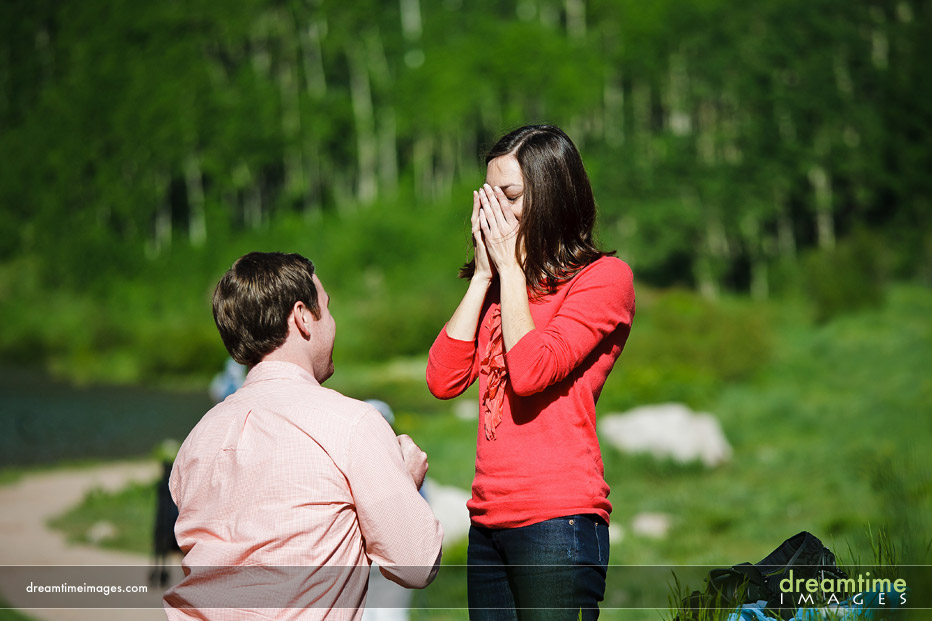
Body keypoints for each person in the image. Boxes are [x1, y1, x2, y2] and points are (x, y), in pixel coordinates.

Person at [426, 125, 635, 620]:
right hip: (488, 520)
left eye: (511, 195)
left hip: (557, 519)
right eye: (488, 195)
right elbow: (442, 380)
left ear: (552, 195)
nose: (495, 211)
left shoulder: (603, 279)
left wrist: (512, 273)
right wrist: (483, 276)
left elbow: (532, 371)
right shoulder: (499, 285)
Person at [164, 251, 443, 620]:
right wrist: (402, 484)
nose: (332, 323)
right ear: (302, 317)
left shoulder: (196, 442)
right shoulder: (353, 423)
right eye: (326, 309)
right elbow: (416, 564)